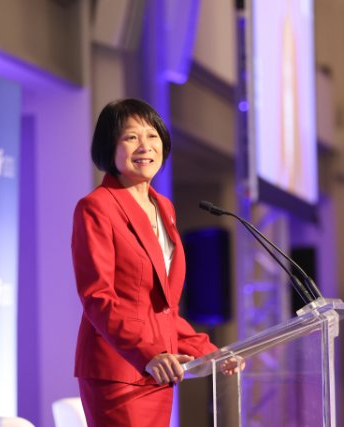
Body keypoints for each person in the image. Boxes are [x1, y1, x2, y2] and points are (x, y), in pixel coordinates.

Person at [71, 99, 237, 426]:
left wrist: (207, 351)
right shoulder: (96, 207)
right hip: (119, 371)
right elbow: (97, 298)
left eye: (153, 135)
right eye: (131, 137)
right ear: (110, 146)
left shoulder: (164, 207)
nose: (145, 146)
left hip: (159, 371)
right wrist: (147, 354)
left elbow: (162, 309)